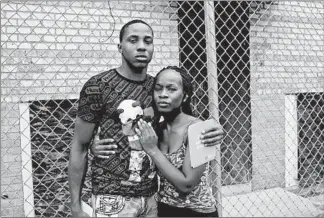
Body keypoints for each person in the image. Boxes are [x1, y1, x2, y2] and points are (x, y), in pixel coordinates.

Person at [68, 19, 223, 217]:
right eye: (133, 40)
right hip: (114, 198)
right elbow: (79, 145)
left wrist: (215, 129)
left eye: (147, 41)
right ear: (119, 47)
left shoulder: (155, 87)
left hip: (152, 198)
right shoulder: (98, 86)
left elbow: (181, 119)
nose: (141, 46)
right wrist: (75, 205)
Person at [135, 66, 218, 217]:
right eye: (158, 89)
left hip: (197, 212)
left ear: (185, 96)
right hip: (164, 209)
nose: (163, 95)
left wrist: (153, 150)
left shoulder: (197, 129)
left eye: (171, 89)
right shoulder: (156, 130)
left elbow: (186, 184)